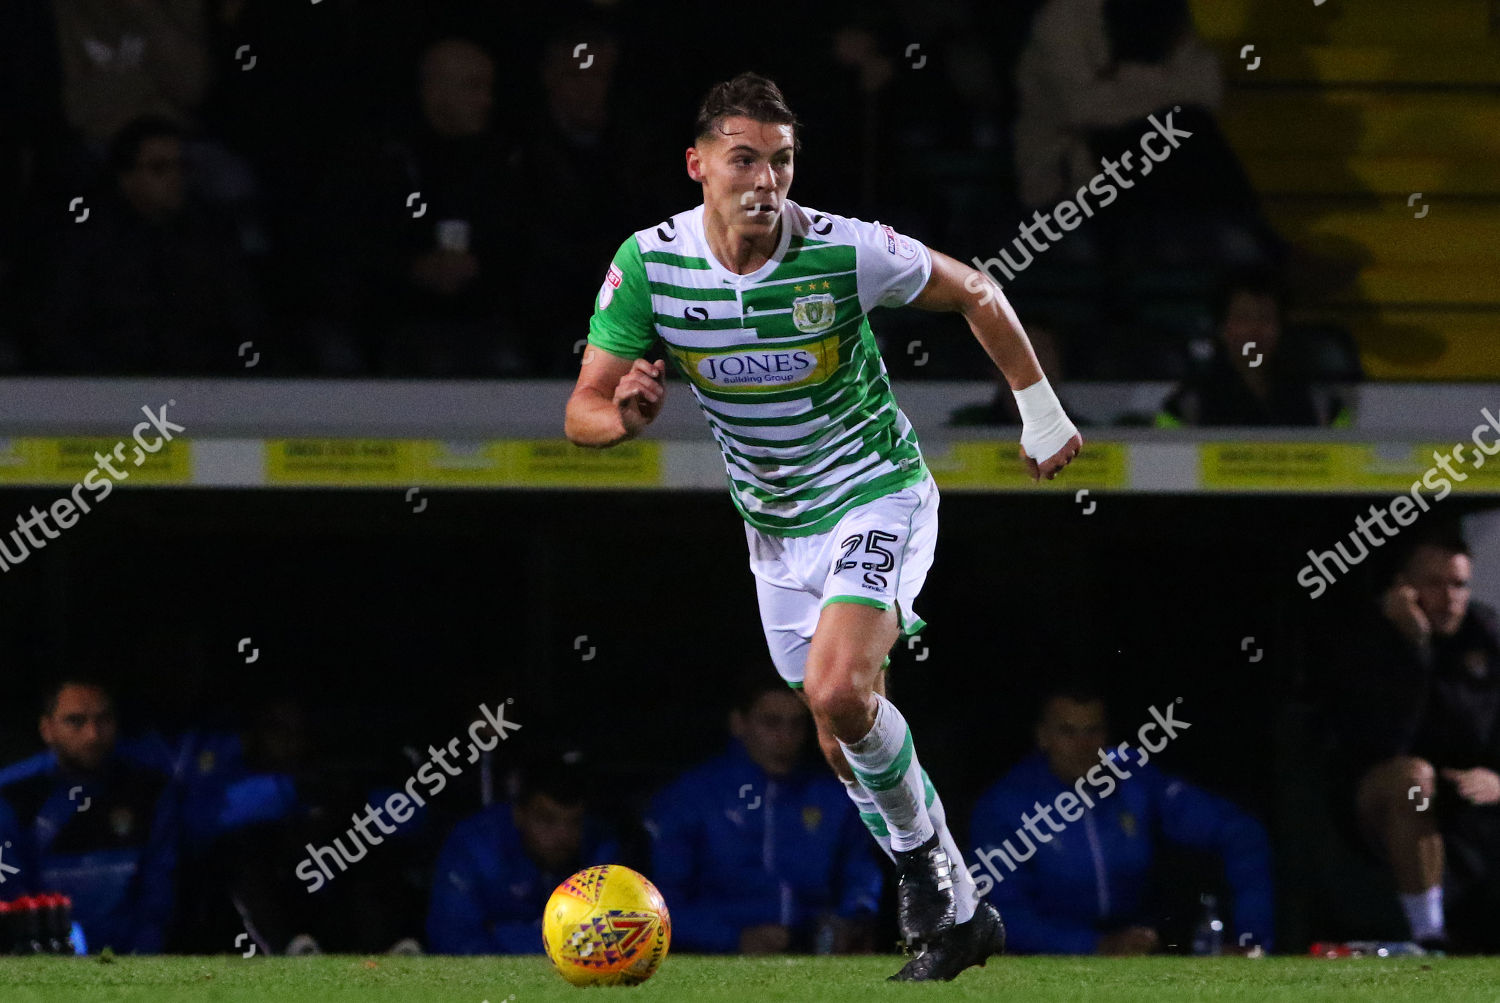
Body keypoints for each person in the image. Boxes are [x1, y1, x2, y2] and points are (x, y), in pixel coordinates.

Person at [564, 72, 1083, 981]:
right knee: (834, 726)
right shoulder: (649, 263)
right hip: (774, 530)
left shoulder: (844, 251)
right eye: (744, 160)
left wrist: (1038, 410)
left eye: (783, 161)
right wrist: (629, 419)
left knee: (841, 689)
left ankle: (923, 872)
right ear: (698, 167)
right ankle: (963, 913)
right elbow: (582, 411)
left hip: (876, 492)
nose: (766, 180)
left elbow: (975, 289)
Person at [969, 682, 1274, 954]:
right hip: (1049, 957)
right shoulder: (1005, 805)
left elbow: (1239, 832)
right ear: (1043, 736)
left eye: (1093, 731)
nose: (1084, 747)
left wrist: (1251, 938)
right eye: (1068, 732)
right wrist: (1094, 945)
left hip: (1140, 945)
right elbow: (1001, 913)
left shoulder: (1134, 778)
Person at [1329, 528, 1500, 950]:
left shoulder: (1486, 635)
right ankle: (1428, 934)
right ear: (1402, 587)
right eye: (1433, 584)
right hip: (1394, 801)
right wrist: (1414, 648)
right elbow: (1383, 742)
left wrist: (1498, 778)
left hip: (1469, 799)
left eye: (1458, 584)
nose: (1449, 597)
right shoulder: (1368, 637)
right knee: (1413, 781)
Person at [644, 673, 882, 955]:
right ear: (739, 723)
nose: (786, 737)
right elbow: (657, 903)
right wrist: (732, 939)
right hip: (716, 956)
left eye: (797, 724)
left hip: (814, 952)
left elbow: (861, 873)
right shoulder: (692, 797)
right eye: (771, 722)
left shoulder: (832, 797)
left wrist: (853, 918)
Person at [35, 114, 264, 374]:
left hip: (200, 391)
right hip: (106, 391)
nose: (175, 177)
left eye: (181, 167)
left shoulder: (210, 235)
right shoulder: (87, 240)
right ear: (126, 178)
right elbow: (58, 327)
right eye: (159, 168)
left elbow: (244, 319)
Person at [0, 678, 179, 953]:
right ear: (47, 729)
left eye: (103, 719)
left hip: (132, 960)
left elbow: (158, 892)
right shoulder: (11, 793)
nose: (92, 734)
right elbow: (11, 891)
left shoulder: (150, 790)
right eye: (75, 721)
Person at [427, 757, 618, 954]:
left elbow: (610, 940)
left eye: (574, 822)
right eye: (547, 820)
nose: (563, 835)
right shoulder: (474, 846)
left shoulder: (599, 844)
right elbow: (454, 942)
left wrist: (505, 933)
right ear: (519, 815)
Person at [1157, 268, 1346, 427]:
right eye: (1243, 318)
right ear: (1222, 329)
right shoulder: (1187, 407)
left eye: (1266, 318)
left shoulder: (1322, 404)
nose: (1255, 330)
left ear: (1281, 329)